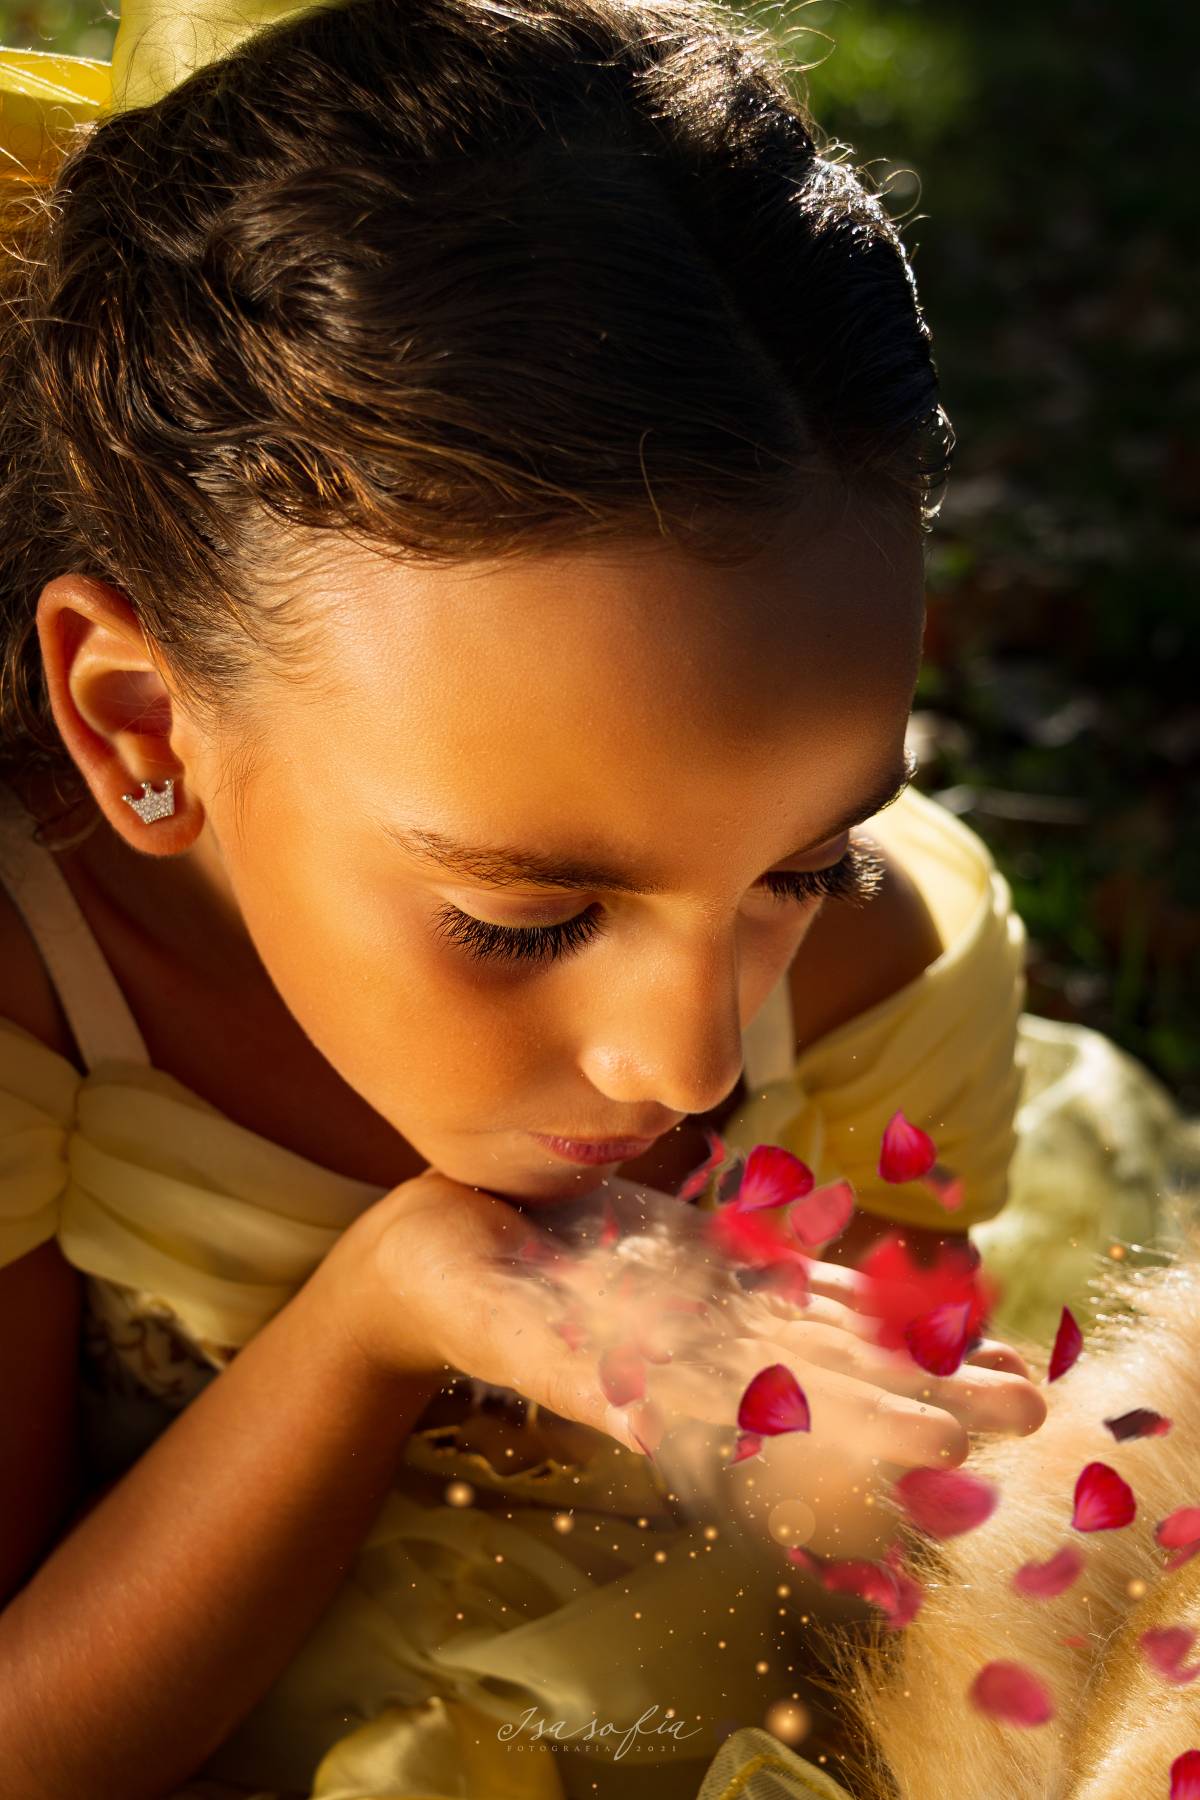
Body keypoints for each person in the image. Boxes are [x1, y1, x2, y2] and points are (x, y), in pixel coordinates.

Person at [0, 1, 1189, 1796]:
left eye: (798, 860)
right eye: (527, 916)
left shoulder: (872, 971)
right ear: (140, 722)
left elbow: (886, 1612)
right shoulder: (31, 1004)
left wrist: (870, 1482)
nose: (690, 1066)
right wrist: (389, 1302)